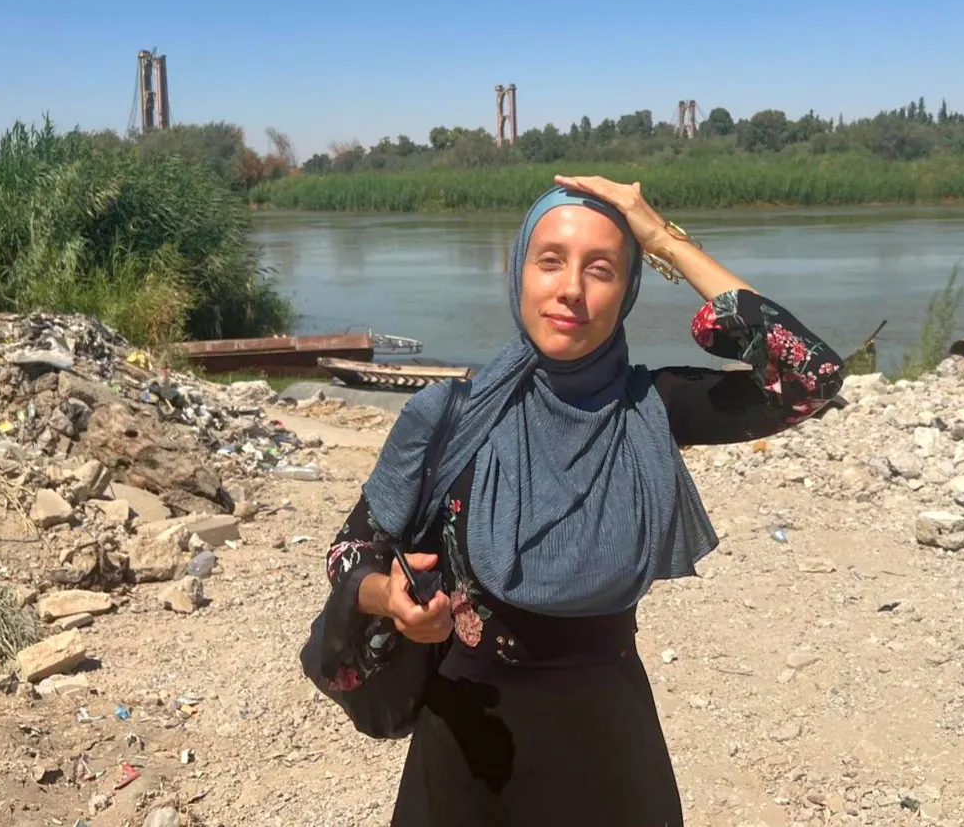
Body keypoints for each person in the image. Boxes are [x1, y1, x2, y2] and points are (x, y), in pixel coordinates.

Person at [317, 175, 844, 826]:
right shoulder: (448, 416)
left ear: (626, 291)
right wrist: (388, 599)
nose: (570, 288)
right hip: (467, 742)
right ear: (517, 275)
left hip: (610, 745)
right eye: (550, 261)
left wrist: (662, 239)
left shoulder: (649, 408)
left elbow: (810, 378)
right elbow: (349, 554)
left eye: (601, 268)